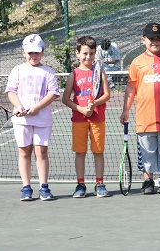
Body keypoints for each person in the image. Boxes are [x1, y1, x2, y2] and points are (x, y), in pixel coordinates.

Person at [120, 23, 160, 195]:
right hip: (144, 118)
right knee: (147, 151)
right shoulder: (137, 62)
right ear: (143, 40)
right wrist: (126, 110)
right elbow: (131, 88)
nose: (154, 42)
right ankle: (147, 180)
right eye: (151, 38)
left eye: (158, 38)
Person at [6, 34, 60, 201]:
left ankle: (44, 187)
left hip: (42, 119)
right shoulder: (17, 70)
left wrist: (36, 108)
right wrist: (20, 107)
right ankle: (26, 187)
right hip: (21, 120)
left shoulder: (48, 72)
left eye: (36, 52)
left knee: (41, 151)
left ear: (42, 52)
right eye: (30, 53)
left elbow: (53, 93)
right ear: (23, 52)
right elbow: (11, 92)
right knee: (24, 152)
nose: (33, 56)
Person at [61, 36, 112, 198]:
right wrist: (82, 110)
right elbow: (65, 98)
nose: (88, 57)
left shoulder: (99, 72)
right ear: (77, 54)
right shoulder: (73, 74)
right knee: (80, 152)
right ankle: (80, 184)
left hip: (98, 118)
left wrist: (95, 103)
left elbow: (107, 95)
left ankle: (99, 183)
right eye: (84, 53)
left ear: (95, 53)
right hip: (79, 120)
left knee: (98, 152)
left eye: (91, 53)